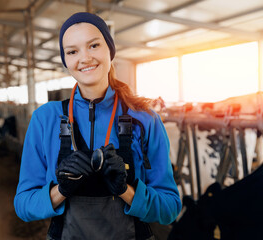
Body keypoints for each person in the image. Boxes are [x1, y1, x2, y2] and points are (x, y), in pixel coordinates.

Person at [14, 12, 182, 240]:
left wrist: (126, 191)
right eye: (72, 51)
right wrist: (61, 190)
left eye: (93, 45)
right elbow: (23, 205)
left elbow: (170, 209)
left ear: (109, 50)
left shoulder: (145, 119)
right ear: (65, 61)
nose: (84, 58)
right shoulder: (45, 119)